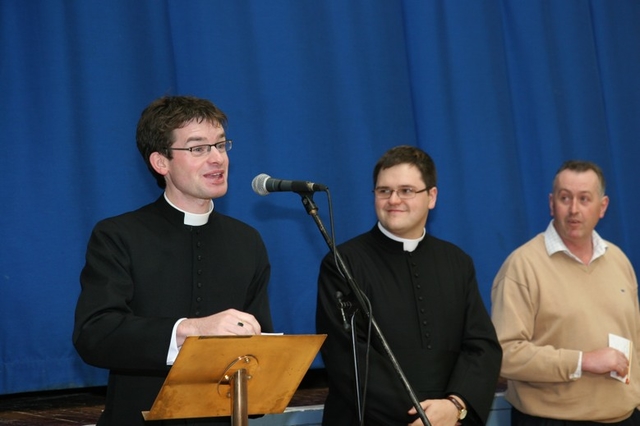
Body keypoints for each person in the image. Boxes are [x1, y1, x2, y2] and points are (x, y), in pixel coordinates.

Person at [73, 95, 273, 425]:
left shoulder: (247, 240)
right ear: (160, 162)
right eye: (198, 148)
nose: (217, 159)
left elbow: (258, 345)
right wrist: (190, 331)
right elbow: (95, 334)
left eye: (221, 145)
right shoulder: (119, 235)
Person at [316, 145, 502, 426]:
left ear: (432, 197)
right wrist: (422, 418)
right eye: (384, 191)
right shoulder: (342, 263)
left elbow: (481, 347)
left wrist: (455, 406)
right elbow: (348, 358)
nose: (393, 200)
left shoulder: (457, 262)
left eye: (406, 190)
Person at [491, 160, 640, 425]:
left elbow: (635, 342)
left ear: (602, 207)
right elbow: (503, 354)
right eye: (565, 198)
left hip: (625, 417)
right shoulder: (523, 266)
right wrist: (582, 361)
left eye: (584, 199)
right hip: (551, 419)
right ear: (551, 203)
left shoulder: (619, 261)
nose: (574, 209)